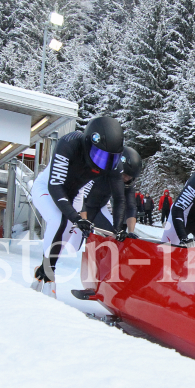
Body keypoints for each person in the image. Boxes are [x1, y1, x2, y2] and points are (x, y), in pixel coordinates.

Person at [30, 116, 127, 282]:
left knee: (71, 240)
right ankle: (48, 268)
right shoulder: (69, 143)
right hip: (47, 187)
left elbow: (119, 198)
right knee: (59, 220)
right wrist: (75, 217)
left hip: (74, 193)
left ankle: (46, 267)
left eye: (110, 158)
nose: (103, 164)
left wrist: (119, 227)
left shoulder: (113, 164)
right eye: (100, 156)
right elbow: (56, 186)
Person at [83, 146, 143, 235]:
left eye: (130, 177)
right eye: (125, 175)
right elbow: (82, 198)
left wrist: (130, 231)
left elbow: (131, 206)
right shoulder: (100, 172)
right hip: (81, 205)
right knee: (79, 237)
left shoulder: (128, 182)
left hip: (100, 207)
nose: (126, 179)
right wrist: (84, 220)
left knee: (112, 235)